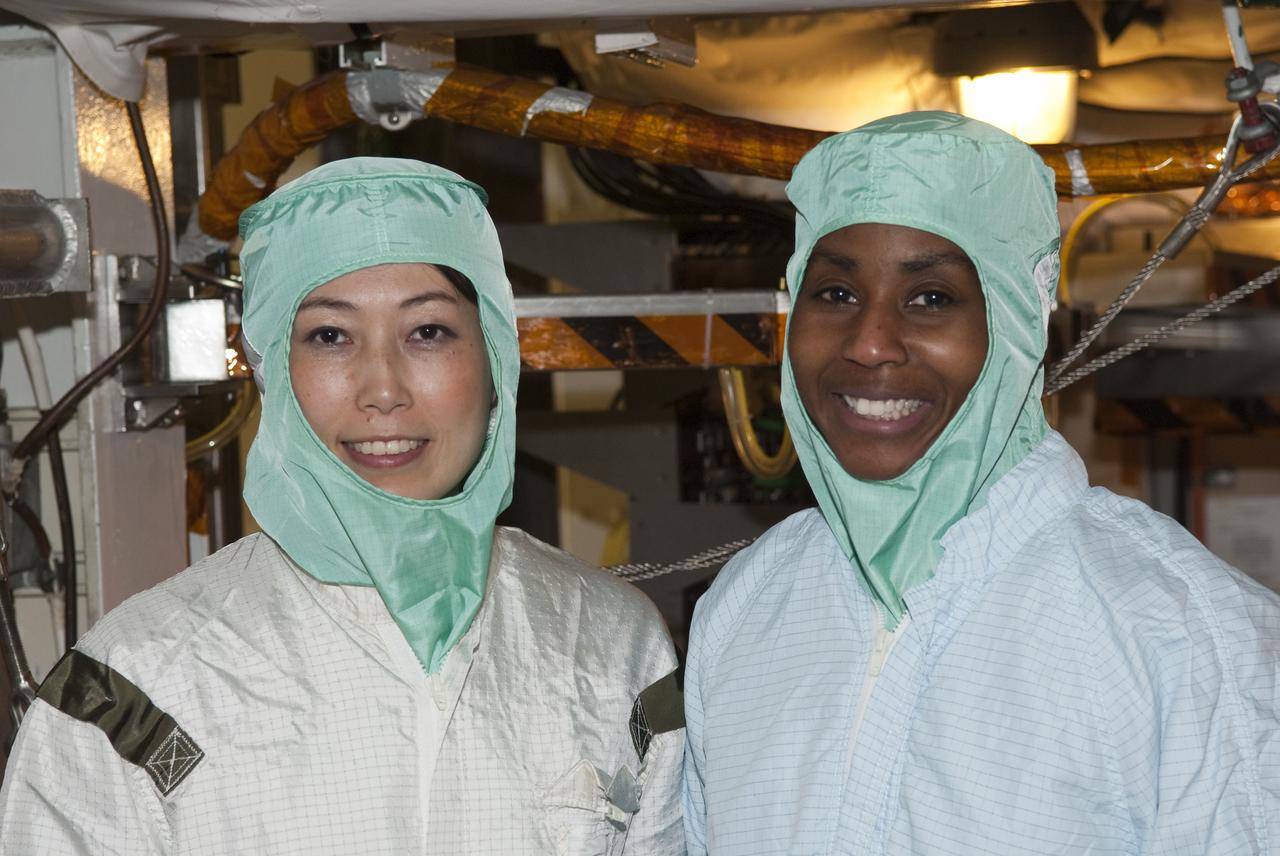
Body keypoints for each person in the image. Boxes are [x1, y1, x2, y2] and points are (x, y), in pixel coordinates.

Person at [0, 158, 684, 854]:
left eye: (429, 332)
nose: (382, 389)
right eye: (329, 335)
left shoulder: (612, 646)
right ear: (272, 366)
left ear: (496, 358)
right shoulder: (140, 686)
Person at [683, 112, 1280, 854]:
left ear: (1018, 318)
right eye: (834, 292)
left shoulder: (1179, 630)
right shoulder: (748, 607)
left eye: (931, 297)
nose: (869, 343)